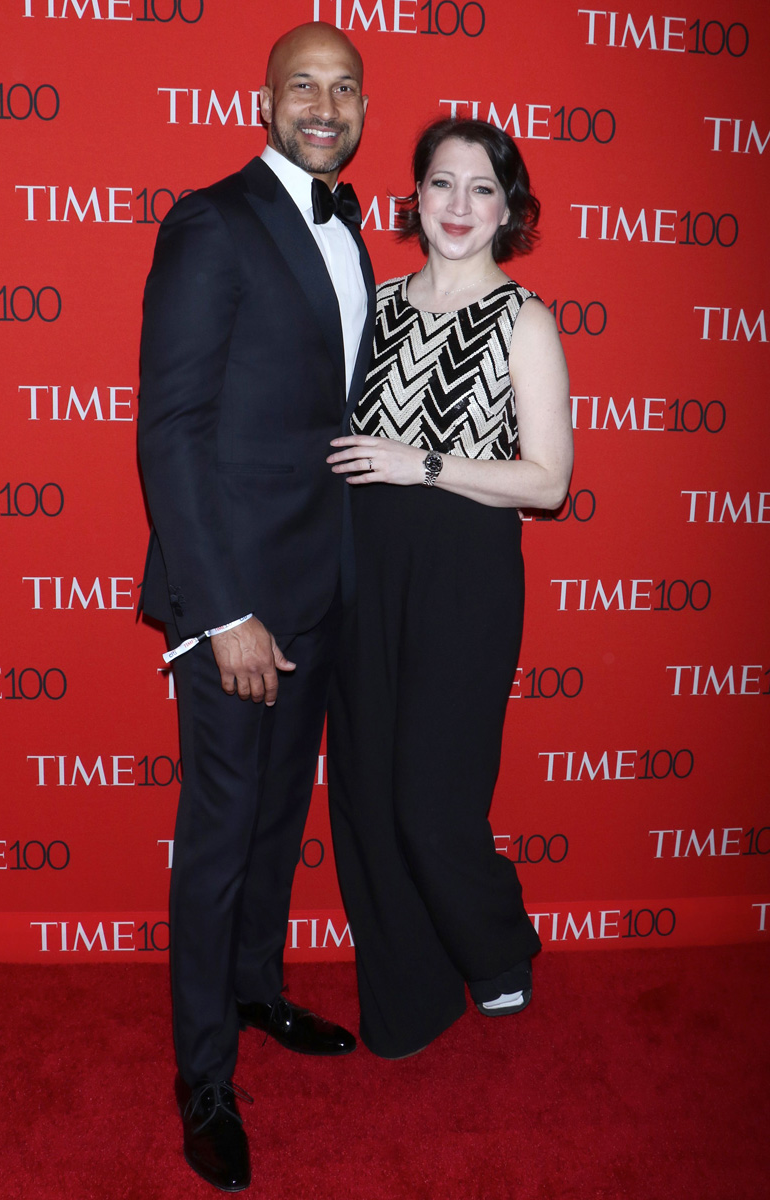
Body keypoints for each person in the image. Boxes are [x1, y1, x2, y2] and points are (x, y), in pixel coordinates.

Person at [137, 22, 375, 1192]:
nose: (322, 105)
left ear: (361, 106)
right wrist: (220, 611)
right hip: (235, 602)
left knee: (281, 820)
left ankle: (258, 992)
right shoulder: (210, 222)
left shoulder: (354, 227)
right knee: (221, 840)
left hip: (319, 588)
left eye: (343, 87)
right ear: (263, 101)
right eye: (302, 86)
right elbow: (170, 433)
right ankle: (202, 1080)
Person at [326, 118, 573, 1060]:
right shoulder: (376, 306)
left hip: (465, 577)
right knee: (365, 793)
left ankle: (498, 947)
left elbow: (548, 481)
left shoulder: (525, 319)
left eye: (482, 189)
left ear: (509, 209)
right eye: (442, 184)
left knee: (431, 801)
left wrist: (419, 461)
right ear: (416, 197)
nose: (460, 206)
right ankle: (410, 993)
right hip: (364, 569)